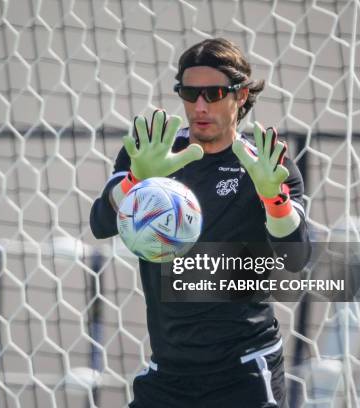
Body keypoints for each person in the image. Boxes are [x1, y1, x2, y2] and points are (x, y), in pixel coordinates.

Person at [89, 38, 311, 407]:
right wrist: (135, 180)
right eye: (190, 93)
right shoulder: (151, 152)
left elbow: (296, 257)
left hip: (244, 371)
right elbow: (101, 222)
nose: (200, 105)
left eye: (214, 92)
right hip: (168, 371)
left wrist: (274, 199)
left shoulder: (268, 164)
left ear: (240, 96)